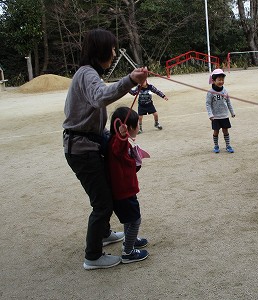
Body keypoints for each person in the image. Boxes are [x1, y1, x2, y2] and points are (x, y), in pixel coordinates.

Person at [62, 28, 148, 270]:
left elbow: (103, 95)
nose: (113, 52)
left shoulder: (89, 74)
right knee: (102, 203)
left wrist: (132, 86)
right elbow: (101, 97)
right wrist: (130, 79)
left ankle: (104, 232)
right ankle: (93, 256)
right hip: (81, 150)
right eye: (111, 48)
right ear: (100, 50)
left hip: (88, 145)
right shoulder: (86, 74)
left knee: (105, 195)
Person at [108, 107, 150, 264]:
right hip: (124, 192)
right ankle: (128, 252)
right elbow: (118, 151)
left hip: (126, 190)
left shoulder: (118, 142)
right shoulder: (118, 142)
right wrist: (122, 136)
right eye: (137, 125)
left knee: (129, 220)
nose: (138, 128)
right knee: (135, 220)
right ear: (127, 128)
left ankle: (129, 242)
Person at [205, 69, 236, 153]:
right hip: (215, 117)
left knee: (225, 131)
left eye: (222, 80)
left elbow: (228, 102)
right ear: (213, 81)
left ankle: (228, 145)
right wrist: (210, 114)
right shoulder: (210, 92)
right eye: (219, 80)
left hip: (224, 115)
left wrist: (232, 112)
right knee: (216, 131)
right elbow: (208, 104)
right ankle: (216, 146)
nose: (221, 81)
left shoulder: (225, 91)